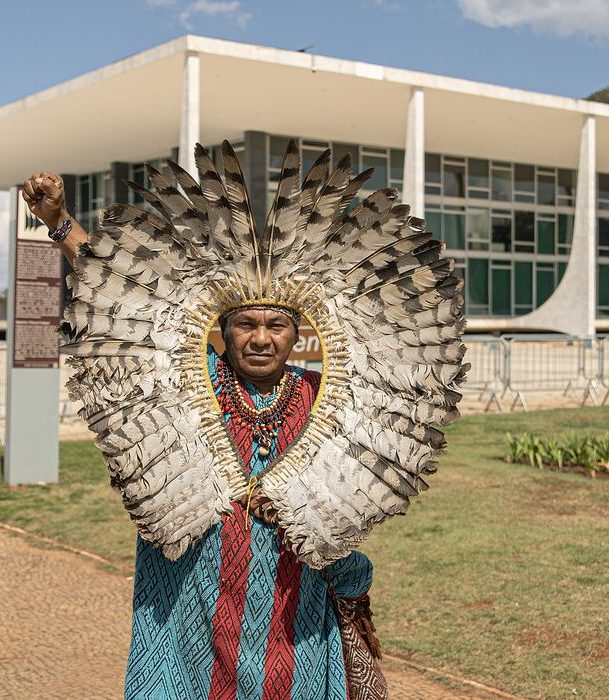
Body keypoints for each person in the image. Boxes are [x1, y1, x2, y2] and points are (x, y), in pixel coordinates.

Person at [22, 172, 379, 700]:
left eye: (276, 325)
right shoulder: (190, 379)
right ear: (224, 330)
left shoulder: (329, 397)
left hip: (294, 617)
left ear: (298, 332)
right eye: (245, 324)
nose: (260, 338)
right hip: (190, 612)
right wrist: (59, 222)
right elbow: (124, 302)